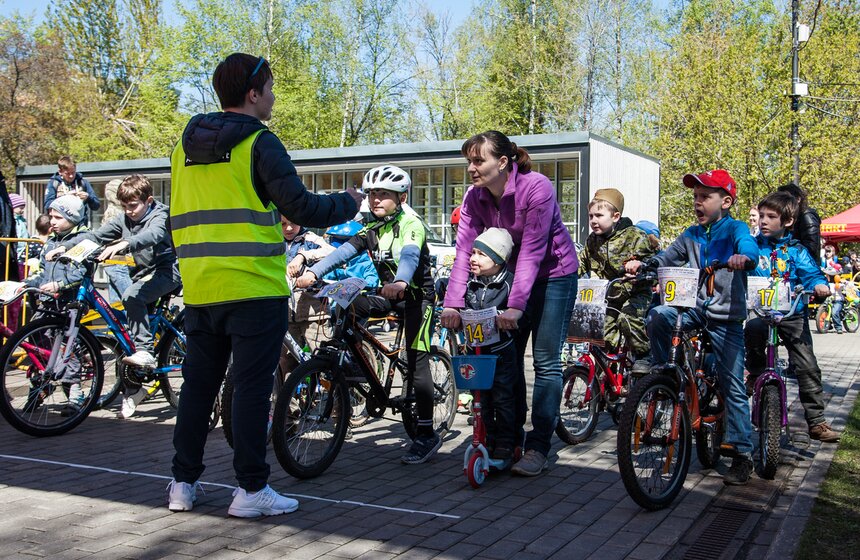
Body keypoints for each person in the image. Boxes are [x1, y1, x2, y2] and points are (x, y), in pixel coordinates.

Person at [167, 53, 360, 518]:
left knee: (198, 388)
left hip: (200, 287)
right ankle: (250, 491)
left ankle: (181, 484)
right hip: (254, 286)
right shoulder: (259, 142)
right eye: (270, 88)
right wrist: (349, 203)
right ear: (253, 94)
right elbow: (302, 207)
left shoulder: (182, 148)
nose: (272, 97)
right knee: (252, 390)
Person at [439, 130, 579, 477]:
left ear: (502, 162)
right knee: (506, 362)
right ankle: (508, 439)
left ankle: (539, 446)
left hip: (554, 276)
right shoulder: (474, 198)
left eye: (478, 160)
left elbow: (532, 250)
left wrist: (515, 306)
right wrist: (452, 304)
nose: (471, 168)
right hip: (511, 280)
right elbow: (463, 254)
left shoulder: (537, 188)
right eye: (468, 161)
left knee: (545, 362)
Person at [295, 164, 441, 464]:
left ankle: (426, 434)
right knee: (350, 305)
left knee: (418, 361)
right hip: (389, 294)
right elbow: (343, 252)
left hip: (417, 298)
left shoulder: (410, 223)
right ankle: (355, 365)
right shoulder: (371, 227)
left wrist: (401, 280)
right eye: (372, 193)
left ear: (401, 197)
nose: (375, 199)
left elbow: (411, 254)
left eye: (383, 194)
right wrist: (313, 272)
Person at [627, 169, 758, 485]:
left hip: (726, 317)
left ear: (725, 201)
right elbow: (667, 257)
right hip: (695, 309)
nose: (698, 203)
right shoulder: (692, 234)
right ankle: (667, 374)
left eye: (705, 197)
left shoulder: (735, 229)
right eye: (695, 197)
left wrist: (744, 258)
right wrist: (644, 265)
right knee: (659, 316)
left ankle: (742, 455)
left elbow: (749, 247)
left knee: (731, 383)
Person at [48, 174, 182, 419]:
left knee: (132, 297)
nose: (129, 212)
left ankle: (144, 351)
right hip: (142, 273)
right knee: (127, 322)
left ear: (148, 200)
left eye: (134, 206)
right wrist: (64, 247)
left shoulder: (160, 214)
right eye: (125, 206)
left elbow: (151, 236)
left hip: (167, 272)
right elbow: (96, 236)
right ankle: (137, 383)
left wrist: (124, 244)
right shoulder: (123, 218)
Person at [745, 191, 839, 442]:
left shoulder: (796, 250)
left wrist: (819, 285)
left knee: (807, 365)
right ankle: (755, 371)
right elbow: (742, 263)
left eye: (771, 217)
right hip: (762, 313)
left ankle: (817, 422)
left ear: (787, 222)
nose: (763, 221)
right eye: (761, 215)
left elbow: (811, 272)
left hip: (792, 315)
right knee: (752, 330)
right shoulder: (752, 245)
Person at [21, 195, 90, 414]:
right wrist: (25, 283)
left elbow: (81, 273)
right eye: (51, 216)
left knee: (69, 348)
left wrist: (59, 284)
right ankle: (41, 385)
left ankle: (75, 394)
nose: (52, 221)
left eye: (58, 217)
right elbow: (41, 272)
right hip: (47, 303)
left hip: (69, 303)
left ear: (73, 218)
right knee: (39, 344)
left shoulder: (83, 240)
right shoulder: (51, 241)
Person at [579, 188, 656, 373]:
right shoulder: (592, 240)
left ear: (615, 216)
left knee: (627, 319)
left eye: (599, 215)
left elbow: (650, 261)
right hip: (610, 296)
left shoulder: (635, 236)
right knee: (599, 329)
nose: (593, 221)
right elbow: (580, 262)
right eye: (590, 216)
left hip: (636, 292)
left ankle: (644, 355)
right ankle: (608, 378)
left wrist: (638, 264)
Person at [462, 227, 519, 462]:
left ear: (498, 259)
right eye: (473, 252)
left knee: (503, 398)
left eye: (481, 254)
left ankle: (507, 443)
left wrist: (506, 316)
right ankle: (489, 439)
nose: (473, 258)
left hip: (501, 352)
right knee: (480, 400)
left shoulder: (508, 283)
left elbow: (518, 308)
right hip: (476, 352)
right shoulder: (469, 282)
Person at [43, 156, 101, 227]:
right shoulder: (54, 183)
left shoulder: (83, 183)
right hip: (60, 227)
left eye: (73, 172)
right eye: (67, 173)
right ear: (60, 172)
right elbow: (47, 205)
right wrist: (65, 198)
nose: (71, 176)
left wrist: (88, 198)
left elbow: (96, 206)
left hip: (80, 226)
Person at [101, 179, 132, 304]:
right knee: (129, 298)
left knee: (116, 301)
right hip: (119, 259)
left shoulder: (112, 210)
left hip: (112, 260)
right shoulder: (117, 212)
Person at [777, 182, 819, 261]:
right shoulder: (790, 217)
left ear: (798, 199)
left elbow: (811, 247)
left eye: (786, 198)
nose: (782, 203)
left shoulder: (807, 216)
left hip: (804, 267)